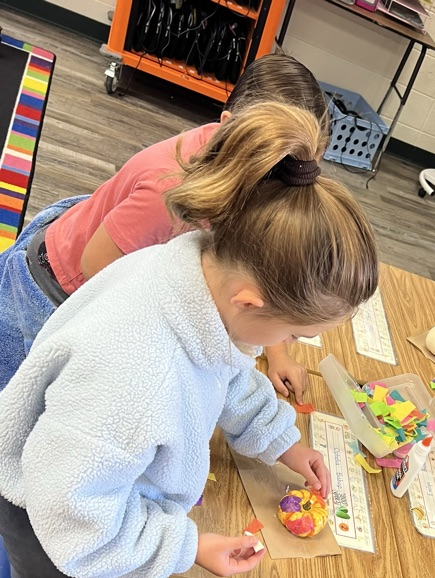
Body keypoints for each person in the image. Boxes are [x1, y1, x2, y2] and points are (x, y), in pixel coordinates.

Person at [0, 101, 378, 578]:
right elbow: (77, 520)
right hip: (48, 508)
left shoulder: (197, 274)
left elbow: (229, 368)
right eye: (294, 331)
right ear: (251, 300)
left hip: (81, 477)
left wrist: (284, 442)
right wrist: (187, 546)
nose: (280, 345)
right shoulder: (135, 371)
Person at [0, 52, 328, 398]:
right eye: (274, 178)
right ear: (228, 125)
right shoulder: (169, 190)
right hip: (54, 289)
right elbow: (95, 267)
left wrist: (278, 348)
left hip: (124, 249)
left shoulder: (254, 166)